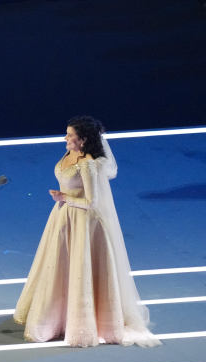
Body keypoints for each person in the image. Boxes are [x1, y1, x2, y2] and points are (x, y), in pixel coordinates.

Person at [14, 116, 161, 348]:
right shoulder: (69, 154)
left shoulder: (88, 164)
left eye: (70, 135)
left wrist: (64, 197)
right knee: (59, 265)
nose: (65, 138)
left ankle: (80, 322)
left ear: (82, 140)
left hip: (83, 223)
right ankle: (55, 317)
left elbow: (92, 202)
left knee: (79, 269)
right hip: (64, 218)